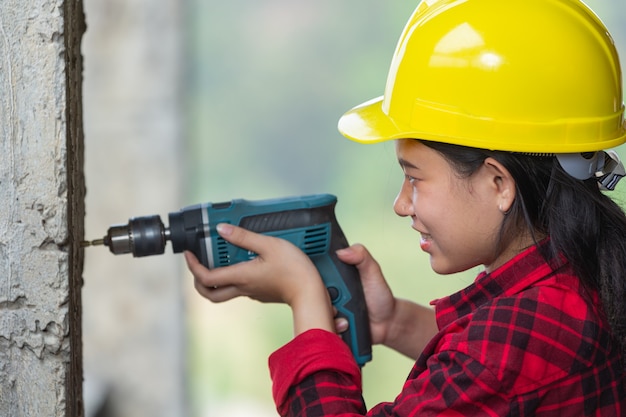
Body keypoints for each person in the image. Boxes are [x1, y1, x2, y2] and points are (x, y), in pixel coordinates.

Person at [185, 0, 626, 415]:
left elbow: (497, 364)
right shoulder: (584, 278)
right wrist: (393, 321)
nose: (401, 204)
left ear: (498, 184)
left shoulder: (514, 340)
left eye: (414, 177)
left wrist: (305, 299)